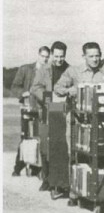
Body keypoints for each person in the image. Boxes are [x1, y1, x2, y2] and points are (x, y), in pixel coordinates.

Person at [31, 41, 70, 191]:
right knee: (45, 147)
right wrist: (47, 98)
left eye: (62, 56)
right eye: (56, 56)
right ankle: (46, 178)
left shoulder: (69, 69)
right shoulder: (44, 70)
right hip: (46, 112)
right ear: (52, 54)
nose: (59, 59)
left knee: (61, 147)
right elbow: (35, 87)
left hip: (63, 112)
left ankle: (60, 180)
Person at [11, 46, 50, 176]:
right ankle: (18, 167)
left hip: (43, 110)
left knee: (42, 138)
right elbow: (15, 86)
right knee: (26, 137)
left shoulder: (49, 71)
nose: (44, 59)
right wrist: (23, 93)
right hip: (28, 109)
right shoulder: (25, 69)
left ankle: (36, 168)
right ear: (38, 55)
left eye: (47, 57)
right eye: (43, 56)